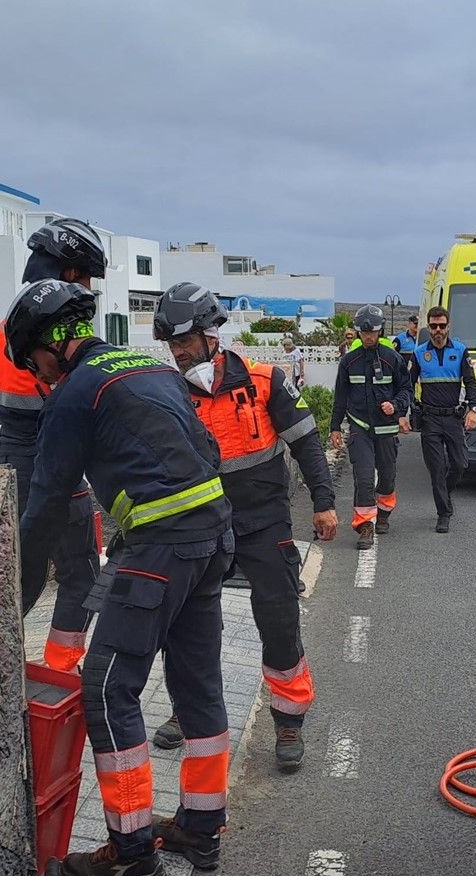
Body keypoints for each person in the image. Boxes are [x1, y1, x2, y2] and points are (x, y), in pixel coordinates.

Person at [8, 279, 234, 876]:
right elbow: (206, 449)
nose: (39, 376)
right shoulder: (149, 368)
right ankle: (201, 830)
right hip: (212, 542)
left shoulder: (74, 393)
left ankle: (134, 857)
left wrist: (14, 599)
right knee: (199, 687)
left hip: (159, 550)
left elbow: (46, 505)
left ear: (49, 348)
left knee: (107, 691)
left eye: (34, 363)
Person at [151, 284, 337, 769]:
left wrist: (324, 502)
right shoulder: (168, 393)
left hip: (263, 523)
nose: (179, 352)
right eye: (172, 344)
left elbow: (306, 442)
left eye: (186, 341)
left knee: (278, 618)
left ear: (212, 334)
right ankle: (186, 711)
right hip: (201, 527)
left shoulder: (264, 380)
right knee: (188, 626)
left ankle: (289, 719)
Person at [0, 217, 102, 671]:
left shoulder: (10, 326)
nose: (90, 288)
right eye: (88, 277)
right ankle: (59, 667)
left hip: (17, 457)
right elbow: (79, 398)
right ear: (71, 273)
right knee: (76, 572)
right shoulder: (50, 333)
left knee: (22, 574)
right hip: (49, 459)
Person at [331, 305, 412, 549]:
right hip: (360, 427)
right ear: (357, 332)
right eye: (364, 333)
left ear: (380, 331)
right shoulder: (348, 362)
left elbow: (406, 390)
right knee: (364, 478)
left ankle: (384, 512)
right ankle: (365, 525)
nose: (368, 337)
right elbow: (340, 397)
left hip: (386, 428)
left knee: (387, 476)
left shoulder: (392, 358)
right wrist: (335, 428)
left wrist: (396, 406)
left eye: (373, 332)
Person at [408, 306, 476, 533]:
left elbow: (471, 383)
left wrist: (473, 409)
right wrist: (410, 409)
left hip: (453, 417)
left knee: (459, 464)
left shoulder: (460, 350)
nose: (438, 330)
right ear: (428, 328)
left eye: (442, 326)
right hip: (430, 419)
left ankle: (443, 495)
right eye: (433, 326)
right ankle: (444, 513)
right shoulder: (419, 353)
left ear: (448, 326)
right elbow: (408, 385)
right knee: (437, 468)